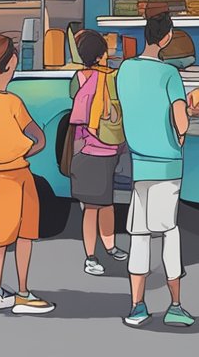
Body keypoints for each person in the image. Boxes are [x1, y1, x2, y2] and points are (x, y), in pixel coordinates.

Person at [115, 10, 199, 328]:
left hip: (139, 163)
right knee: (168, 232)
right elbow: (180, 121)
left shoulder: (124, 69)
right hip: (166, 163)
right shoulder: (169, 75)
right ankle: (175, 305)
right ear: (166, 38)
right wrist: (191, 111)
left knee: (138, 235)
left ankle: (137, 306)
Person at [0, 34, 54, 315]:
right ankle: (21, 291)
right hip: (20, 174)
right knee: (24, 235)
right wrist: (21, 155)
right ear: (11, 63)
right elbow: (40, 139)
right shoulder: (13, 102)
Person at [66, 29, 127, 277]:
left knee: (91, 206)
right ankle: (106, 248)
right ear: (103, 54)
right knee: (105, 203)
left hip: (87, 147)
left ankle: (94, 253)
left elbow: (72, 95)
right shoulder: (114, 77)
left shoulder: (78, 77)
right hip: (111, 146)